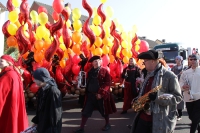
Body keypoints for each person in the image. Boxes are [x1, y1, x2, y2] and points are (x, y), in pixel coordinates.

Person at [130, 50, 182, 133]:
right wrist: (138, 99)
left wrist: (158, 97)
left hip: (158, 120)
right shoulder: (148, 74)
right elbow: (144, 92)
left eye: (145, 61)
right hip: (143, 117)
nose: (143, 63)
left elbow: (178, 97)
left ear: (153, 61)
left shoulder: (169, 76)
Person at [74, 55, 116, 133]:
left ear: (100, 62)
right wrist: (80, 84)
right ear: (92, 63)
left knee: (104, 111)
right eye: (94, 61)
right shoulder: (89, 71)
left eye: (97, 61)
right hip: (90, 95)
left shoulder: (105, 71)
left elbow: (107, 83)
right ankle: (81, 128)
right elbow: (86, 81)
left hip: (100, 96)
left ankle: (107, 124)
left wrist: (101, 93)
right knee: (85, 112)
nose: (96, 62)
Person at [0, 55, 28, 133]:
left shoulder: (8, 75)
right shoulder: (14, 73)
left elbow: (1, 92)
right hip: (12, 104)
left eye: (2, 61)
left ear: (8, 63)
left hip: (8, 106)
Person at [32, 67, 62, 133]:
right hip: (43, 124)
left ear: (42, 79)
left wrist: (53, 130)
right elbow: (40, 109)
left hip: (49, 127)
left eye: (36, 79)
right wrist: (37, 122)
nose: (34, 81)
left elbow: (56, 114)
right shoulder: (42, 89)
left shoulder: (53, 92)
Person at [179, 54, 200, 133]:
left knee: (195, 118)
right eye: (191, 59)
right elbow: (180, 83)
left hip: (199, 97)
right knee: (191, 116)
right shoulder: (186, 72)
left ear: (198, 60)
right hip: (188, 98)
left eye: (195, 59)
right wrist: (183, 86)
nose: (193, 61)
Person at [171, 55, 185, 121]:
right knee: (175, 98)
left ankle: (180, 114)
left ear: (181, 60)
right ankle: (175, 113)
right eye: (176, 59)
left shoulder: (184, 68)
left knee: (181, 99)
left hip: (181, 85)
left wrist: (183, 73)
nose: (176, 60)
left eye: (178, 59)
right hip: (175, 84)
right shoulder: (173, 68)